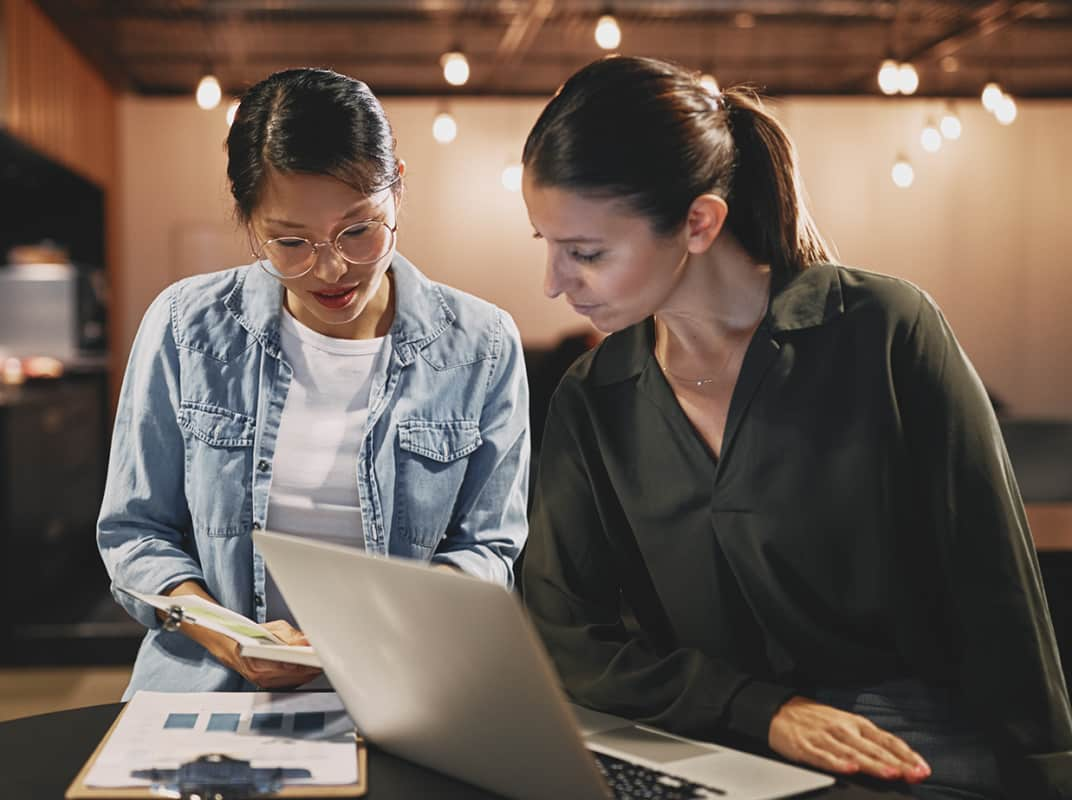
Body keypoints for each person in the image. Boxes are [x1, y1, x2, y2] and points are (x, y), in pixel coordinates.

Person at [520, 56, 1071, 799]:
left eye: (586, 253)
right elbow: (564, 636)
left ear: (699, 222)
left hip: (898, 743)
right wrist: (758, 710)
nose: (554, 281)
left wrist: (1048, 776)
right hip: (705, 741)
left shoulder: (885, 331)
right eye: (546, 245)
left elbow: (995, 591)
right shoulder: (594, 397)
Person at [98, 68, 529, 697]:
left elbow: (488, 548)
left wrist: (374, 637)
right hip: (211, 686)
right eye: (291, 241)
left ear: (398, 189)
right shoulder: (186, 327)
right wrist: (230, 636)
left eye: (359, 229)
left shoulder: (481, 344)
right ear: (249, 223)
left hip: (407, 686)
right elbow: (136, 533)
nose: (332, 268)